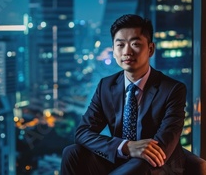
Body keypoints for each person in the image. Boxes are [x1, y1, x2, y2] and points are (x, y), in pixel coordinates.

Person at [61, 14, 187, 175]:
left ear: (150, 49)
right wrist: (125, 146)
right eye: (120, 45)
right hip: (120, 159)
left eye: (135, 44)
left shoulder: (172, 89)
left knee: (144, 161)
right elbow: (82, 133)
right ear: (113, 51)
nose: (127, 51)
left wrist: (136, 151)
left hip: (157, 166)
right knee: (71, 153)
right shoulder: (106, 86)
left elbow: (162, 148)